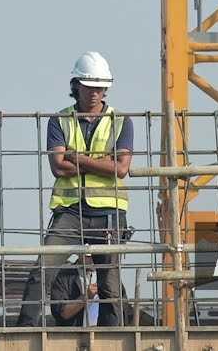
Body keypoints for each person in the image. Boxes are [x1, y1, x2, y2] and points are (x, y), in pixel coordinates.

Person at [17, 52, 132, 327]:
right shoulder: (59, 120)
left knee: (110, 284)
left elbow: (121, 168)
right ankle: (23, 332)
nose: (94, 93)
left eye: (99, 87)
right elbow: (58, 167)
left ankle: (112, 337)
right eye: (88, 86)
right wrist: (103, 162)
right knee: (42, 270)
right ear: (76, 86)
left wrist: (78, 158)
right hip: (70, 211)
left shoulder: (122, 120)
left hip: (109, 212)